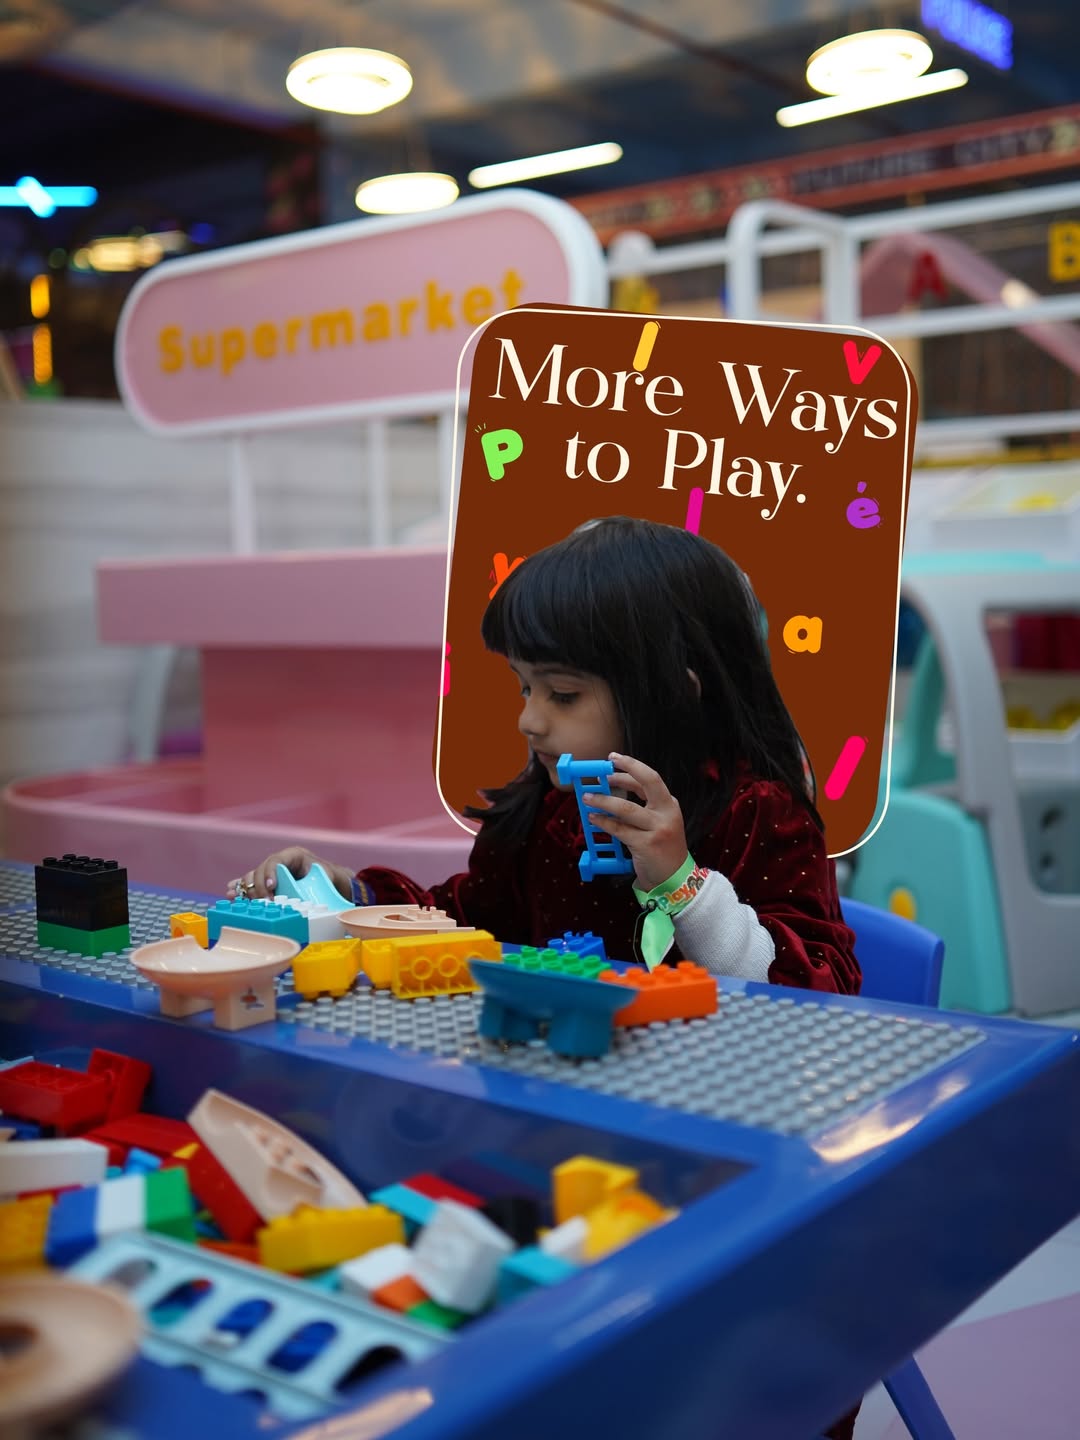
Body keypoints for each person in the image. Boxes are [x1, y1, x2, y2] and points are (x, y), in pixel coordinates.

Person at [230, 515, 862, 1438]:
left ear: (677, 692)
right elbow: (465, 916)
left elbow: (826, 999)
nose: (529, 717)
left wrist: (685, 887)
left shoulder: (758, 813)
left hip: (728, 1167)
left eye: (561, 692)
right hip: (565, 1139)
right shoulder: (547, 808)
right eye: (525, 687)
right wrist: (341, 896)